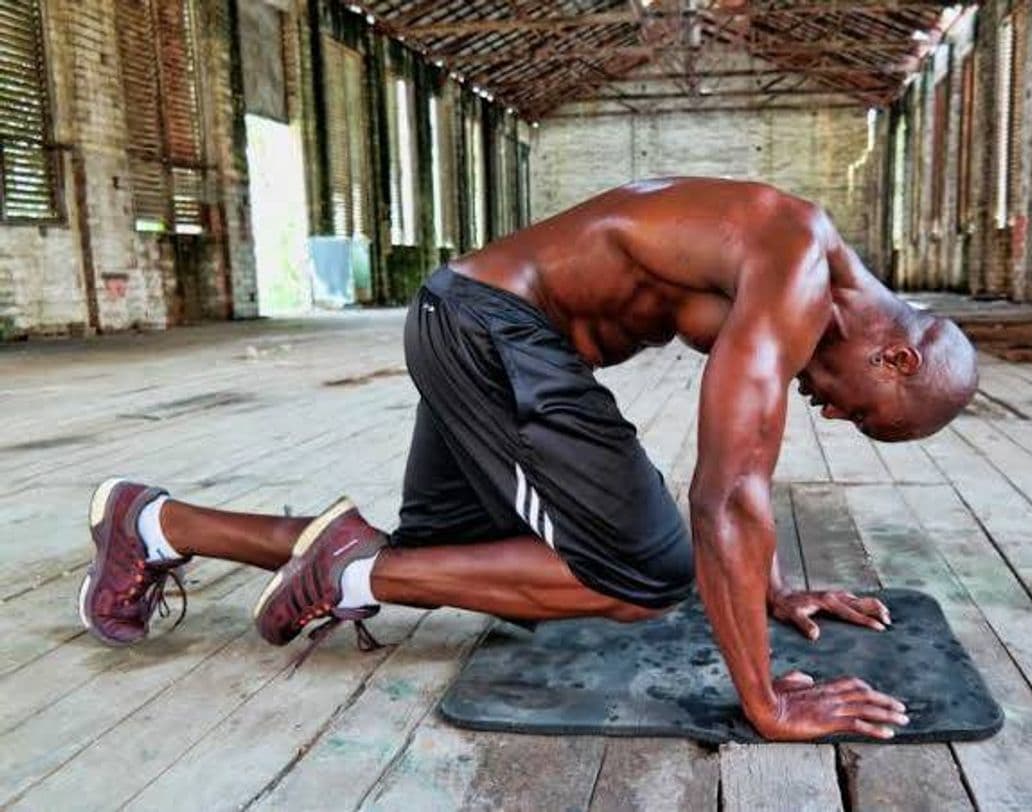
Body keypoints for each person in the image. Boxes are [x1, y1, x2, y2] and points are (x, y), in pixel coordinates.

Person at [79, 178, 977, 742]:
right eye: (862, 412)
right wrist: (767, 704)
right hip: (493, 332)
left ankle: (151, 523)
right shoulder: (798, 272)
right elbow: (725, 496)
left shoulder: (797, 265)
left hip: (473, 323)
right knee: (647, 570)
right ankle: (358, 574)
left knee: (447, 556)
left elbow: (746, 454)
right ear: (895, 357)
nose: (834, 410)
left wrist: (775, 584)